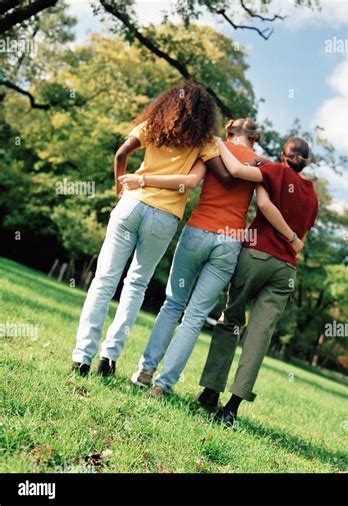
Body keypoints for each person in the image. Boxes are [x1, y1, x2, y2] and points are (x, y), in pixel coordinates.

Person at [127, 118, 304, 398]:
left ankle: (145, 372)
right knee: (195, 316)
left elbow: (191, 182)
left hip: (198, 230)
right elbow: (265, 203)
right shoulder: (263, 164)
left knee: (173, 304)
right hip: (230, 241)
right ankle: (162, 386)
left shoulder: (211, 149)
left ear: (228, 132)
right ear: (255, 139)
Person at [71, 81, 221, 377]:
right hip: (164, 217)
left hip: (131, 205)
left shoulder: (153, 123)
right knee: (136, 284)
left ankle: (82, 357)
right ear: (205, 114)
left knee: (104, 280)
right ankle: (109, 359)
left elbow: (120, 155)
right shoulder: (204, 141)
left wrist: (121, 187)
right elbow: (192, 182)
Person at [196, 136, 319, 426]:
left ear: (282, 155)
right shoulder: (312, 195)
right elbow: (303, 238)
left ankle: (211, 391)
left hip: (256, 256)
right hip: (286, 268)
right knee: (259, 336)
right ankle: (232, 408)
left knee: (232, 320)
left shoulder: (275, 171)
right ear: (307, 162)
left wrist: (219, 143)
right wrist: (291, 239)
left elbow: (239, 175)